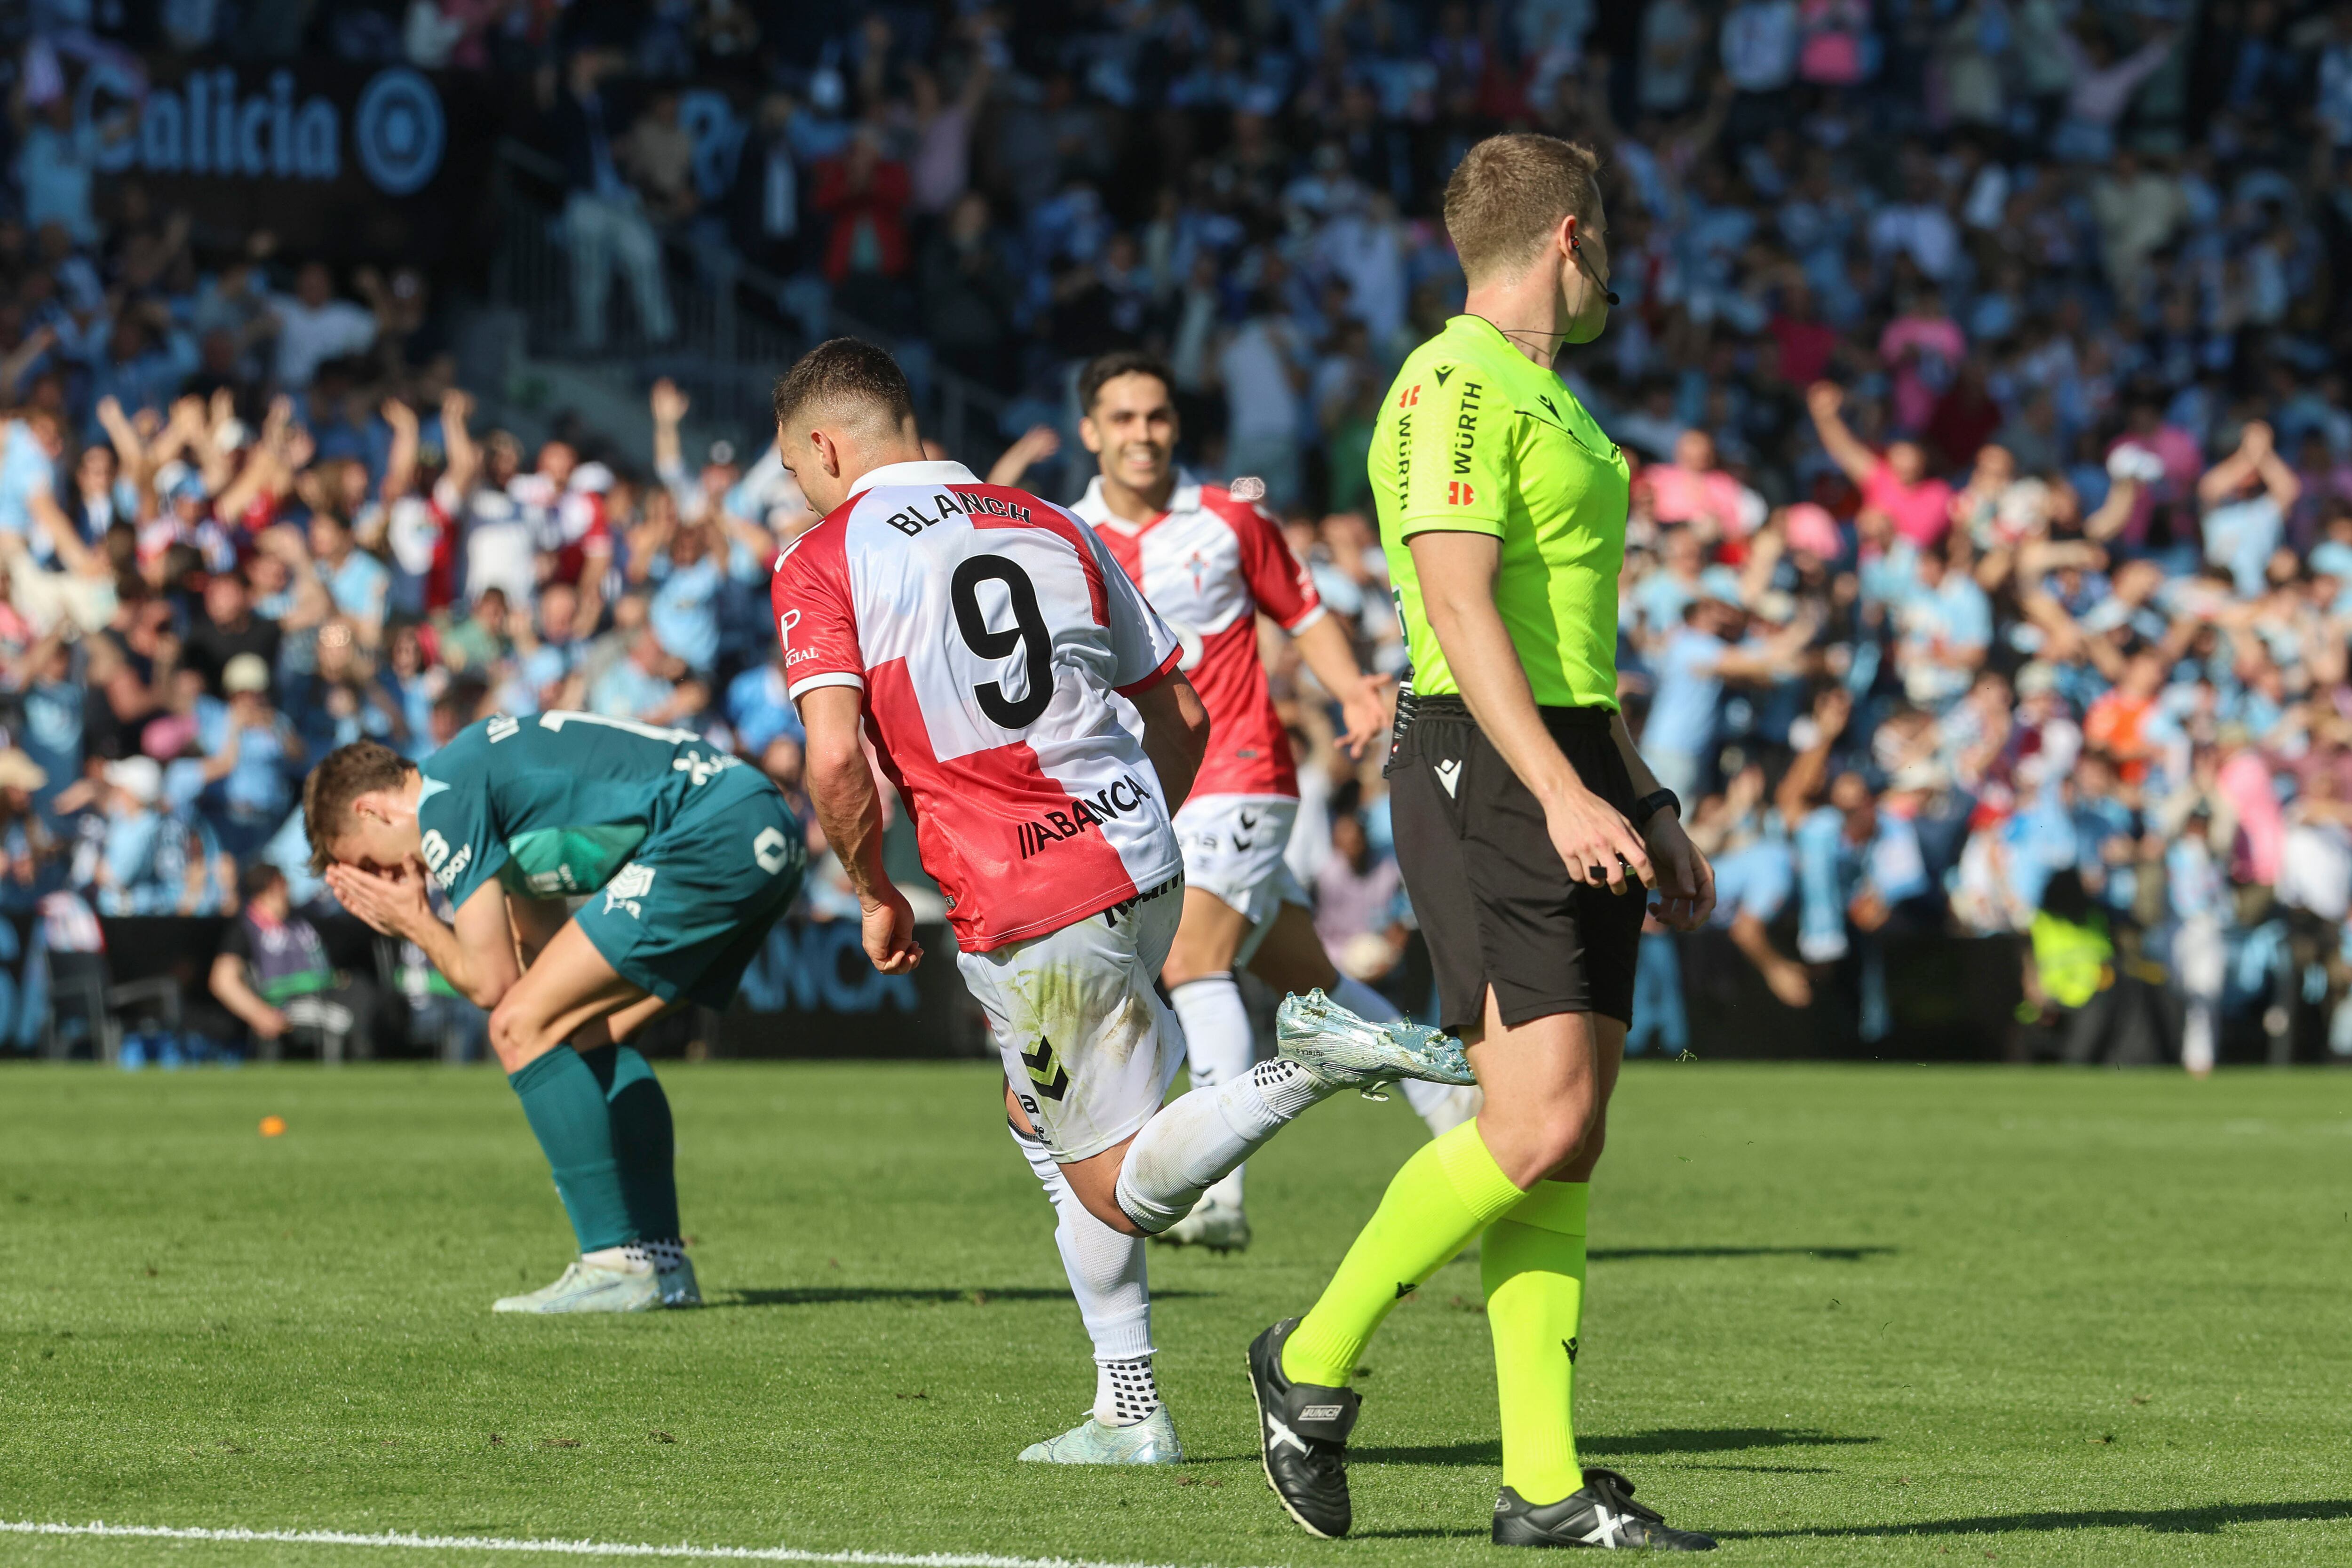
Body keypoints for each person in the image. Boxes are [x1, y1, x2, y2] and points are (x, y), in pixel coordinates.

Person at [767, 338, 1473, 1470]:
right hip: (1141, 853)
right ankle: (1127, 1404)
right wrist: (1125, 834)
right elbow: (1180, 709)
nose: (800, 491)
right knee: (1037, 1124)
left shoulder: (825, 555)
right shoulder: (1057, 521)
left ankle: (1313, 1061)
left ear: (824, 446)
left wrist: (871, 891)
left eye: (796, 473)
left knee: (1117, 1180)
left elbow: (838, 765)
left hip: (1027, 894)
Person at [1248, 134, 1719, 1551]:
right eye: (1610, 240)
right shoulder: (1451, 380)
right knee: (1539, 1120)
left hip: (1561, 756)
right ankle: (1310, 1361)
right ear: (1569, 239)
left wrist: (1636, 795)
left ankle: (1541, 1485)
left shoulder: (1545, 396)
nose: (1616, 265)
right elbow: (1454, 614)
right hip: (1477, 760)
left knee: (1561, 1146)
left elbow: (1565, 642)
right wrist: (1561, 794)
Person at [996, 348, 1477, 1255]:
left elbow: (1300, 609)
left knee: (1194, 962)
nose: (1145, 434)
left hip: (1240, 770)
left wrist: (1354, 692)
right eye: (1125, 418)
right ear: (1091, 431)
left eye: (1159, 416)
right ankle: (1452, 1095)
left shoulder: (1226, 519)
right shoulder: (1058, 533)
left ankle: (1216, 1192)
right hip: (1138, 794)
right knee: (1312, 978)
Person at [300, 712, 809, 1314]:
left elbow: (494, 989)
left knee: (517, 1027)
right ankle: (663, 1263)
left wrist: (414, 923)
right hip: (757, 822)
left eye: (366, 864)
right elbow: (533, 963)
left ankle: (613, 1261)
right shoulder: (477, 786)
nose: (386, 879)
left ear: (372, 813)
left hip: (713, 829)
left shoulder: (442, 800)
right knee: (583, 1032)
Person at [210, 861, 380, 1062]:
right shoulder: (245, 928)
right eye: (285, 883)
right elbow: (222, 980)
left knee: (365, 991)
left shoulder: (301, 920)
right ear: (275, 885)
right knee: (356, 1011)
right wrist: (258, 1014)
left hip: (325, 994)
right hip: (287, 1004)